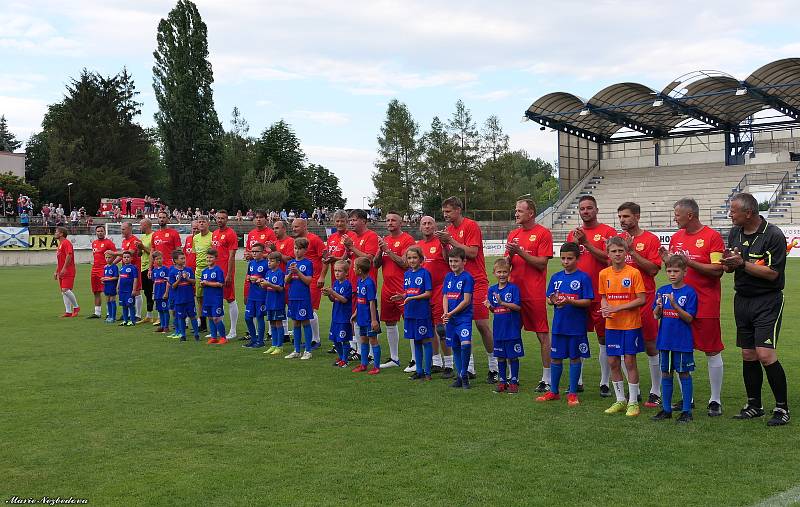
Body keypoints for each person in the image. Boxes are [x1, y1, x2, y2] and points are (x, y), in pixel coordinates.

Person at [721, 192, 790, 426]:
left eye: (733, 211)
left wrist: (742, 264)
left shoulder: (773, 235)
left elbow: (773, 274)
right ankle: (754, 405)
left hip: (767, 301)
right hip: (742, 300)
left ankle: (782, 408)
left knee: (765, 354)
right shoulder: (735, 233)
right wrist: (729, 264)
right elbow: (735, 267)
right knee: (748, 354)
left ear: (748, 213)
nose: (730, 214)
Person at [661, 198, 726, 417]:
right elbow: (675, 268)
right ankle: (687, 399)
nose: (674, 218)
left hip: (706, 302)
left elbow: (718, 270)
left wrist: (690, 262)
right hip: (679, 304)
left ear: (690, 215)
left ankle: (715, 400)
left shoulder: (712, 236)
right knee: (680, 351)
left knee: (711, 349)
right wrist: (668, 260)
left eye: (677, 214)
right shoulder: (676, 238)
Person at [436, 197, 498, 384]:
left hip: (476, 281)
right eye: (444, 211)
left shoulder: (471, 226)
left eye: (448, 211)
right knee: (460, 326)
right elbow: (448, 258)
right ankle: (467, 368)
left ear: (458, 210)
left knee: (481, 324)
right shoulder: (448, 231)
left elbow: (472, 253)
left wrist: (452, 241)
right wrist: (443, 245)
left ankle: (494, 366)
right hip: (457, 284)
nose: (445, 215)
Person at [566, 195, 617, 395]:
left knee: (603, 338)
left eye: (589, 208)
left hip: (600, 293)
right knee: (576, 336)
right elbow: (568, 260)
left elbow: (611, 257)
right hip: (576, 296)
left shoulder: (608, 232)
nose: (585, 211)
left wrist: (586, 243)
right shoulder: (572, 234)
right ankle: (576, 380)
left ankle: (605, 381)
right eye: (582, 209)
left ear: (597, 210)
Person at [617, 201, 663, 407]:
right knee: (627, 348)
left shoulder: (650, 239)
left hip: (645, 301)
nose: (622, 220)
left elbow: (653, 269)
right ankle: (632, 390)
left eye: (626, 216)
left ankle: (656, 390)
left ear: (637, 216)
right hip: (623, 303)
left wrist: (632, 251)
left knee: (651, 345)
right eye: (620, 217)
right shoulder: (617, 241)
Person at [506, 198, 554, 391]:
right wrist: (510, 255)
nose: (516, 213)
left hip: (533, 292)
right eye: (515, 210)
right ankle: (512, 376)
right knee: (511, 334)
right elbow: (506, 265)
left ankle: (547, 378)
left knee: (542, 335)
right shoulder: (513, 234)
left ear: (531, 213)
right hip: (513, 293)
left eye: (519, 210)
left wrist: (519, 251)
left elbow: (542, 263)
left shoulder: (543, 233)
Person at [539, 242, 593, 405]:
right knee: (556, 358)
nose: (566, 261)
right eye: (563, 258)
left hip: (576, 327)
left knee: (575, 358)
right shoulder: (556, 278)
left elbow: (588, 301)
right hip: (559, 326)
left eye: (570, 258)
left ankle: (572, 393)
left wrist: (570, 301)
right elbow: (549, 299)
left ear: (577, 258)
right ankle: (554, 391)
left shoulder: (583, 278)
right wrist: (552, 301)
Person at [599, 236, 646, 417]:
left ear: (626, 253)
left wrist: (617, 307)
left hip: (630, 324)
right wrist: (605, 307)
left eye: (620, 251)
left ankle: (633, 402)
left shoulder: (633, 273)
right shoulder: (604, 274)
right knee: (612, 362)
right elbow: (603, 296)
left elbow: (641, 299)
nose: (617, 254)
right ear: (608, 253)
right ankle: (620, 400)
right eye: (614, 251)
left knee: (629, 361)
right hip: (612, 325)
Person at [651, 255, 698, 423]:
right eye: (669, 271)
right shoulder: (662, 291)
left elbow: (689, 318)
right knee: (666, 373)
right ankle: (666, 409)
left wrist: (675, 305)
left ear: (684, 272)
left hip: (682, 341)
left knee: (684, 373)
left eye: (676, 271)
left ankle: (686, 411)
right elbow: (656, 316)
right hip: (665, 341)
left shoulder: (689, 292)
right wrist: (658, 306)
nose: (672, 274)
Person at [375, 212, 416, 370]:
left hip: (402, 286)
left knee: (410, 321)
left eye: (393, 220)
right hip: (387, 287)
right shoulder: (385, 240)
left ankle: (414, 359)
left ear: (401, 223)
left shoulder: (407, 239)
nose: (390, 223)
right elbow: (376, 264)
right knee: (390, 322)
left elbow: (405, 263)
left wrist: (389, 250)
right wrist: (380, 251)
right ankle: (394, 358)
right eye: (388, 220)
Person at [417, 216, 453, 377]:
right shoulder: (418, 246)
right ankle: (436, 361)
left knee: (441, 327)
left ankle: (449, 364)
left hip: (440, 290)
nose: (427, 226)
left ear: (435, 226)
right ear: (420, 227)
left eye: (430, 223)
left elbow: (448, 259)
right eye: (424, 223)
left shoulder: (440, 242)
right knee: (430, 328)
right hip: (424, 292)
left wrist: (445, 244)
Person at [391, 246, 434, 380]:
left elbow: (428, 293)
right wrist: (402, 296)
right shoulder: (407, 274)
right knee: (415, 341)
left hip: (422, 313)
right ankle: (419, 370)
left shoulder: (425, 273)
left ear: (421, 259)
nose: (412, 260)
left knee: (426, 340)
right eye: (409, 258)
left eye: (415, 257)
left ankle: (427, 372)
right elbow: (409, 292)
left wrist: (411, 298)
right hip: (410, 312)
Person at [343, 209, 380, 359]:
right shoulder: (353, 237)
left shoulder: (371, 236)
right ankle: (360, 351)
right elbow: (350, 258)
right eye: (350, 220)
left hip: (367, 286)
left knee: (367, 320)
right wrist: (347, 251)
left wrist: (352, 247)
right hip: (354, 283)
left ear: (364, 221)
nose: (351, 223)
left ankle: (370, 354)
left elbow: (369, 259)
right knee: (356, 320)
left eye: (354, 220)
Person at [486, 258, 524, 394]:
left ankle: (513, 381)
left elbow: (518, 307)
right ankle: (502, 381)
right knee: (501, 356)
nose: (502, 275)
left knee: (513, 356)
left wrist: (502, 302)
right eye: (499, 272)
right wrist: (490, 306)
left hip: (512, 328)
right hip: (499, 329)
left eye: (505, 272)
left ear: (509, 272)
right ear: (494, 273)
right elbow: (494, 310)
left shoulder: (513, 288)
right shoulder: (492, 290)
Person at [443, 247, 474, 390]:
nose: (453, 264)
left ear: (464, 261)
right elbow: (445, 296)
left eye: (456, 261)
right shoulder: (448, 277)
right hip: (451, 319)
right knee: (455, 346)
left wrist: (451, 313)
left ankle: (464, 373)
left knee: (466, 344)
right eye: (451, 261)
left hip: (463, 318)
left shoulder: (467, 278)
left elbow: (466, 300)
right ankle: (460, 376)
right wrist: (445, 313)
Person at [293, 218, 326, 349]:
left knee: (309, 308)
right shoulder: (296, 242)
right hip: (299, 281)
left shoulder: (315, 239)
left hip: (313, 279)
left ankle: (315, 339)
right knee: (302, 308)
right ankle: (309, 338)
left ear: (305, 226)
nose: (294, 229)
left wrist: (322, 277)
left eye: (297, 227)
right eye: (293, 226)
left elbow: (325, 259)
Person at [284, 237, 314, 360]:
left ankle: (308, 350)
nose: (297, 251)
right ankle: (296, 350)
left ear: (305, 250)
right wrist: (291, 273)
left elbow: (308, 281)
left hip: (303, 298)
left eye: (300, 249)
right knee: (295, 322)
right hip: (292, 297)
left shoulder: (308, 263)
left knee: (305, 322)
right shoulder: (290, 263)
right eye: (295, 248)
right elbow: (286, 280)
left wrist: (298, 272)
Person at [350, 256, 382, 374]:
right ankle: (363, 364)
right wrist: (356, 313)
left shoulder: (369, 283)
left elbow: (372, 302)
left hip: (369, 318)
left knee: (373, 340)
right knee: (363, 340)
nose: (353, 269)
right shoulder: (360, 281)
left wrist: (374, 320)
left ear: (359, 270)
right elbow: (360, 300)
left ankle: (376, 367)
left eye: (354, 267)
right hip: (361, 317)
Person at [212, 210, 239, 340]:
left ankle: (233, 330)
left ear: (226, 219)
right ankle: (219, 330)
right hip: (215, 272)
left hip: (226, 272)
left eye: (222, 218)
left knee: (230, 299)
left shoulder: (231, 233)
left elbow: (232, 255)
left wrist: (228, 274)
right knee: (217, 299)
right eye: (218, 218)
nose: (220, 220)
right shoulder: (215, 234)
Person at [322, 259, 354, 367]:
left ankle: (345, 360)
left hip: (344, 317)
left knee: (344, 339)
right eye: (335, 270)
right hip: (335, 316)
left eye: (339, 271)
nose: (336, 273)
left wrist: (333, 292)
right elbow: (333, 299)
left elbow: (344, 300)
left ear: (346, 273)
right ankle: (341, 357)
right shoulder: (335, 283)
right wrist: (328, 294)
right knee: (335, 339)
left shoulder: (347, 285)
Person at [243, 210, 277, 303]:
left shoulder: (270, 233)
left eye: (261, 217)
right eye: (256, 217)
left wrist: (260, 255)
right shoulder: (251, 233)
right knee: (248, 300)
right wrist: (247, 255)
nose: (258, 219)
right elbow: (248, 251)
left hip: (266, 269)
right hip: (252, 268)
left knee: (264, 300)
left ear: (266, 219)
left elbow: (274, 253)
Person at [169, 249, 200, 341]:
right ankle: (183, 335)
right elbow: (173, 286)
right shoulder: (172, 272)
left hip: (189, 298)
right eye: (181, 258)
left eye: (184, 258)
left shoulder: (189, 270)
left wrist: (187, 278)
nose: (184, 260)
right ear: (175, 260)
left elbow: (194, 282)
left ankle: (196, 334)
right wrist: (178, 280)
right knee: (181, 317)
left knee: (192, 316)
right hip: (179, 299)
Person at [89, 224, 117, 320]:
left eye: (101, 231)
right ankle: (97, 312)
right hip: (94, 269)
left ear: (104, 232)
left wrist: (110, 266)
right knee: (96, 291)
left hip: (104, 270)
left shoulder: (109, 243)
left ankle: (109, 312)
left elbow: (116, 255)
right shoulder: (94, 243)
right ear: (96, 232)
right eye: (98, 231)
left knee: (107, 291)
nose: (100, 233)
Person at [262, 251, 287, 356]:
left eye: (271, 261)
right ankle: (273, 344)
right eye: (268, 260)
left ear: (278, 262)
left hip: (278, 302)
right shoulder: (268, 273)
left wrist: (269, 284)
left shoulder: (280, 273)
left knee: (278, 323)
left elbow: (281, 288)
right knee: (272, 323)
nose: (269, 262)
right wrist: (262, 284)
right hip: (269, 301)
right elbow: (267, 286)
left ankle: (279, 346)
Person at [243, 244, 268, 349]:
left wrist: (258, 280)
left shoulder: (266, 264)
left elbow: (268, 279)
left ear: (262, 252)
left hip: (261, 295)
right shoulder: (251, 263)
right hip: (252, 294)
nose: (254, 253)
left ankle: (260, 341)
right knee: (248, 318)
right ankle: (253, 339)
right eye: (252, 251)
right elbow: (248, 275)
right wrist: (249, 278)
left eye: (256, 251)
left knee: (259, 317)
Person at [117, 222, 142, 322]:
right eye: (121, 229)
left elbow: (130, 253)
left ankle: (138, 314)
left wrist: (113, 253)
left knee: (136, 290)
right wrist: (112, 264)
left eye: (123, 229)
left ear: (129, 229)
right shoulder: (124, 241)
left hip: (134, 269)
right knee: (126, 291)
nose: (122, 231)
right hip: (125, 271)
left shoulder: (134, 240)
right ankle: (126, 314)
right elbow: (122, 256)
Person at [201, 249, 227, 344]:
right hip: (207, 297)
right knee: (210, 317)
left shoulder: (218, 270)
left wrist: (207, 283)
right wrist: (203, 284)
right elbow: (204, 283)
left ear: (216, 258)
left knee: (217, 318)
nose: (209, 259)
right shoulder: (204, 271)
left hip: (216, 298)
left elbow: (220, 284)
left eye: (211, 257)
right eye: (207, 257)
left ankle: (223, 337)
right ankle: (214, 337)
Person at [54, 226, 80, 317]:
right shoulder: (60, 244)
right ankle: (68, 311)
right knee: (63, 291)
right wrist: (56, 271)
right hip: (62, 271)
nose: (55, 233)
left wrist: (64, 268)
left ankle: (76, 307)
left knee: (66, 289)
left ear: (61, 234)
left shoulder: (66, 243)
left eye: (56, 232)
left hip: (68, 270)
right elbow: (61, 260)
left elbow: (69, 255)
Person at [193, 215, 213, 332]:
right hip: (198, 270)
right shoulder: (195, 238)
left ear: (208, 224)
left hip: (208, 270)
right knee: (199, 297)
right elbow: (197, 254)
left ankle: (213, 322)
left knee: (209, 296)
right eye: (199, 222)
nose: (201, 224)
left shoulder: (212, 236)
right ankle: (202, 323)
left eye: (203, 222)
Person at [117, 250, 139, 327]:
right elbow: (120, 277)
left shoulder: (133, 268)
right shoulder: (122, 268)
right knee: (124, 305)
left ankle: (132, 321)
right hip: (122, 291)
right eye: (124, 257)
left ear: (131, 258)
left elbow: (135, 279)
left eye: (128, 257)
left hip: (129, 290)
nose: (126, 259)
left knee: (130, 305)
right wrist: (118, 287)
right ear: (122, 258)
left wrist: (134, 289)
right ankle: (125, 320)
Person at [138, 218, 154, 323]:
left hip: (150, 267)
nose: (140, 227)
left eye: (141, 225)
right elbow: (140, 254)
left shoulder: (153, 236)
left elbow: (153, 253)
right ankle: (149, 315)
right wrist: (139, 249)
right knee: (147, 292)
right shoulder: (143, 237)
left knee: (152, 291)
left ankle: (154, 315)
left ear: (146, 226)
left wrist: (143, 247)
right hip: (142, 267)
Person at [151, 251, 171, 334]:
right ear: (154, 261)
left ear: (163, 259)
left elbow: (168, 282)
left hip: (163, 293)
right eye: (157, 259)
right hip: (157, 293)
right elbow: (154, 282)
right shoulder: (154, 271)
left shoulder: (166, 269)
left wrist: (166, 292)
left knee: (165, 310)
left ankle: (166, 327)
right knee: (160, 310)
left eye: (160, 258)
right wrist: (153, 293)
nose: (159, 260)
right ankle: (162, 326)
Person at [101, 251, 119, 323]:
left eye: (109, 257)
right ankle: (109, 316)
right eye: (106, 258)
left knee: (112, 300)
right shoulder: (105, 267)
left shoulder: (114, 267)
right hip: (107, 286)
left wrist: (107, 279)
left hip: (112, 286)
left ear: (113, 258)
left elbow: (116, 277)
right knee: (107, 300)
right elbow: (105, 276)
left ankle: (113, 317)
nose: (107, 259)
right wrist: (103, 280)